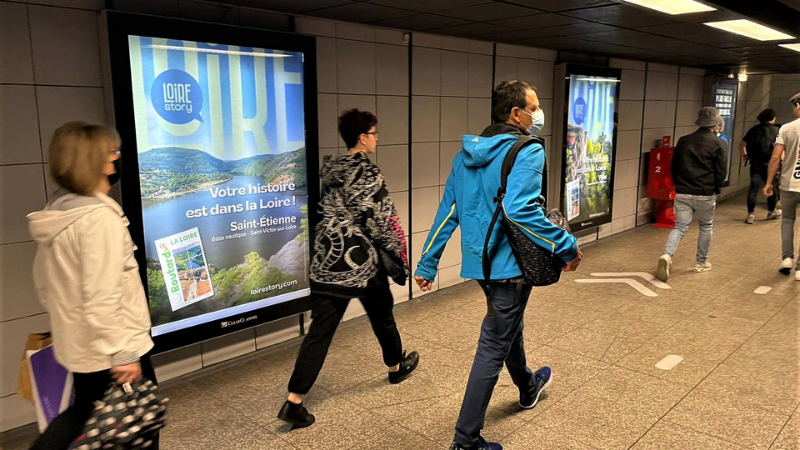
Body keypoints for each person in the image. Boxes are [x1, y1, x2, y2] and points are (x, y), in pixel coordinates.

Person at [414, 81, 580, 450]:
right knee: (493, 343)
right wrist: (567, 246)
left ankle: (526, 386)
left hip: (480, 266)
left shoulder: (465, 156)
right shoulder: (527, 149)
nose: (538, 114)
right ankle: (465, 439)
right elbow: (521, 210)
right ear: (515, 114)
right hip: (511, 265)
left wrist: (428, 262)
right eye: (533, 107)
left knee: (507, 325)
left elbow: (449, 212)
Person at [277, 109, 419, 428]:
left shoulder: (327, 171)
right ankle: (396, 369)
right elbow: (382, 222)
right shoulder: (368, 174)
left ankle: (294, 401)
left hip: (326, 265)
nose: (376, 138)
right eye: (374, 133)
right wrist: (400, 261)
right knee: (383, 316)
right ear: (362, 137)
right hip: (360, 266)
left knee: (319, 333)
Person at [27, 122, 158, 450]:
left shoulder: (57, 213)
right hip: (114, 346)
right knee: (141, 423)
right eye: (112, 152)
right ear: (95, 162)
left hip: (81, 343)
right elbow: (104, 294)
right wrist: (123, 352)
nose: (117, 159)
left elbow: (44, 284)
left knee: (85, 412)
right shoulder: (99, 220)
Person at [655, 107, 727, 282]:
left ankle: (666, 255)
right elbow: (721, 171)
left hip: (683, 191)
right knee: (705, 226)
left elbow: (674, 166)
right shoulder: (719, 144)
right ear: (715, 124)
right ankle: (700, 262)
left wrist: (678, 184)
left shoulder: (684, 140)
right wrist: (715, 187)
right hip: (705, 192)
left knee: (680, 227)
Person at [764, 93, 800, 279]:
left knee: (787, 219)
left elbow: (776, 158)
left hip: (788, 184)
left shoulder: (786, 128)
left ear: (799, 107)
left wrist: (769, 182)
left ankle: (787, 258)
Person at [740, 108, 781, 223]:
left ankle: (750, 215)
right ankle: (771, 212)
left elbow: (742, 145)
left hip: (755, 165)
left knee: (753, 189)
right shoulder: (777, 130)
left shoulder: (753, 130)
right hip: (770, 165)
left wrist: (745, 156)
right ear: (772, 119)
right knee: (770, 188)